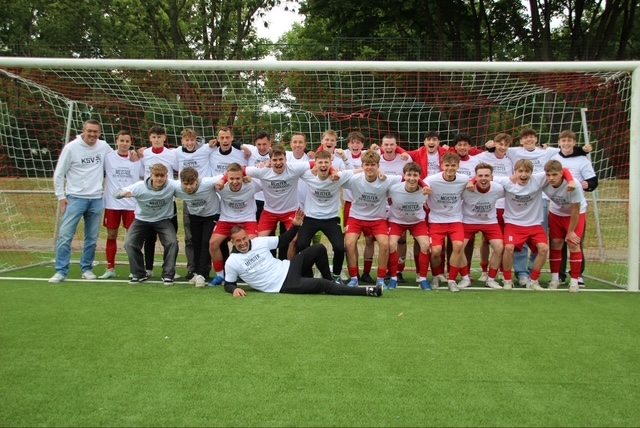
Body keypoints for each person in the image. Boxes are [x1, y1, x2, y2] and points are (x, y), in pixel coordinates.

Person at [223, 210, 383, 298]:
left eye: (244, 238)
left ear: (247, 236)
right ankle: (368, 291)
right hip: (283, 285)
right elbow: (229, 283)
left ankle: (331, 282)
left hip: (288, 267)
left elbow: (284, 240)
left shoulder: (258, 242)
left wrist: (296, 226)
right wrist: (234, 290)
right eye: (238, 241)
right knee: (322, 285)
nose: (243, 243)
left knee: (319, 248)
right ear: (232, 242)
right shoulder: (232, 262)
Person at [491, 159, 575, 290]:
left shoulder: (539, 179)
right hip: (513, 224)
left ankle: (534, 280)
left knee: (544, 248)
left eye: (527, 171)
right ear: (515, 172)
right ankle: (507, 280)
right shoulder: (506, 181)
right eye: (520, 171)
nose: (523, 175)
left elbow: (563, 170)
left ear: (531, 173)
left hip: (534, 224)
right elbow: (486, 177)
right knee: (508, 247)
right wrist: (472, 182)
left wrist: (571, 181)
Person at [49, 119, 112, 283]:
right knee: (66, 236)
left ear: (100, 133)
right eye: (89, 131)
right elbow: (59, 174)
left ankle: (87, 269)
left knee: (91, 238)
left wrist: (135, 153)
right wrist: (61, 196)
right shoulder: (71, 148)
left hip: (96, 199)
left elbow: (118, 157)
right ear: (83, 131)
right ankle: (61, 271)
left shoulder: (104, 146)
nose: (92, 134)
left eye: (95, 132)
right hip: (75, 199)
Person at [343, 150, 403, 289]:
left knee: (385, 244)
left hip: (377, 219)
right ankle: (354, 278)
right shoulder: (354, 179)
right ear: (362, 166)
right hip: (356, 217)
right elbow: (336, 176)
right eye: (367, 165)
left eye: (373, 165)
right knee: (349, 243)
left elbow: (407, 178)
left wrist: (424, 187)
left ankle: (380, 279)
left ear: (378, 166)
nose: (369, 167)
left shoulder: (386, 179)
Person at [295, 150, 355, 283]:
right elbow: (292, 168)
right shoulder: (309, 175)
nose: (323, 165)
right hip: (311, 218)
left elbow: (358, 171)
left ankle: (336, 276)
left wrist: (377, 172)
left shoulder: (338, 176)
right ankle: (307, 275)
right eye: (320, 162)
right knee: (301, 244)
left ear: (330, 164)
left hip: (331, 219)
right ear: (315, 164)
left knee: (339, 247)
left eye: (326, 162)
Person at [117, 163, 179, 284]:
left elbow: (186, 187)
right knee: (129, 243)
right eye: (157, 176)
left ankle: (168, 274)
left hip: (163, 219)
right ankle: (139, 273)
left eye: (162, 176)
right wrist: (123, 194)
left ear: (167, 176)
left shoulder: (172, 185)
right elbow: (117, 193)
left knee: (172, 242)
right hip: (142, 220)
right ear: (151, 176)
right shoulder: (140, 186)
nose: (159, 179)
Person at [551, 130, 598, 285]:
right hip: (558, 209)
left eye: (569, 140)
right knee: (557, 243)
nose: (566, 143)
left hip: (576, 207)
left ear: (574, 142)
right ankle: (559, 275)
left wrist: (587, 184)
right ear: (559, 142)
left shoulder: (582, 160)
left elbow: (593, 181)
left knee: (574, 242)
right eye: (563, 140)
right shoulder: (553, 157)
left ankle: (577, 275)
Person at [98, 130, 143, 279]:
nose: (124, 144)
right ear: (116, 141)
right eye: (121, 140)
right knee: (111, 235)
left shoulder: (137, 159)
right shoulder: (108, 157)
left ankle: (134, 268)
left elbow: (144, 176)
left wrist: (139, 152)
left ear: (131, 143)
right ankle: (110, 268)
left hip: (131, 204)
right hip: (112, 204)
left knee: (132, 238)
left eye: (127, 141)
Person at [424, 153, 471, 292]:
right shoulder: (432, 179)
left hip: (455, 219)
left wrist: (472, 182)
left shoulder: (464, 179)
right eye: (447, 165)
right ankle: (436, 276)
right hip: (436, 220)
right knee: (436, 251)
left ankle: (452, 280)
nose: (450, 168)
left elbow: (474, 180)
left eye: (453, 165)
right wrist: (424, 189)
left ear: (458, 166)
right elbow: (421, 184)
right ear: (442, 166)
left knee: (458, 246)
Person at [208, 163, 262, 286]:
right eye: (231, 178)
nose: (235, 182)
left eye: (238, 178)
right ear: (227, 178)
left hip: (248, 220)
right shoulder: (220, 186)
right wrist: (221, 181)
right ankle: (220, 275)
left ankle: (248, 273)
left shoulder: (251, 185)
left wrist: (255, 174)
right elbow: (203, 185)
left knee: (251, 244)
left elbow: (267, 183)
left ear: (242, 177)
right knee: (213, 243)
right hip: (226, 220)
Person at [138, 125, 178, 278]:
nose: (156, 140)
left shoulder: (172, 155)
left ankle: (170, 268)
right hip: (150, 202)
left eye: (159, 137)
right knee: (150, 238)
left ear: (164, 138)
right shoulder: (144, 154)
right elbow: (141, 174)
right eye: (154, 137)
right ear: (150, 138)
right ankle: (148, 268)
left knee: (170, 238)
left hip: (168, 201)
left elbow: (179, 169)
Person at [173, 167, 222, 288]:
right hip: (194, 216)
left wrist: (222, 182)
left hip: (212, 215)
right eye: (186, 184)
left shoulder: (206, 183)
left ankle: (201, 274)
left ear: (197, 180)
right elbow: (162, 183)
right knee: (196, 243)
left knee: (206, 242)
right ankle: (197, 272)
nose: (189, 187)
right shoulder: (176, 187)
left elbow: (226, 175)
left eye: (191, 184)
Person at [543, 159, 587, 292]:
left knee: (574, 244)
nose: (551, 178)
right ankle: (555, 279)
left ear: (561, 174)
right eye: (548, 175)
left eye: (554, 175)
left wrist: (571, 231)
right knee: (555, 244)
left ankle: (574, 281)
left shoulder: (574, 185)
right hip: (556, 213)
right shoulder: (543, 180)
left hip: (575, 214)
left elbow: (576, 209)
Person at [386, 162, 431, 290]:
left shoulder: (425, 190)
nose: (412, 178)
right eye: (409, 175)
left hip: (417, 222)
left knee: (425, 245)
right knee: (391, 244)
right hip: (397, 221)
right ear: (404, 176)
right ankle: (393, 278)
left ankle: (423, 279)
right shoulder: (394, 189)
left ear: (419, 177)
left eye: (415, 175)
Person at [460, 163, 505, 289]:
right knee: (458, 247)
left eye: (486, 175)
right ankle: (465, 278)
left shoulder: (498, 188)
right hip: (468, 221)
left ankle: (491, 279)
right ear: (475, 177)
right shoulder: (466, 188)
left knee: (499, 247)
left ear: (491, 177)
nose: (483, 178)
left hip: (489, 221)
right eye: (480, 176)